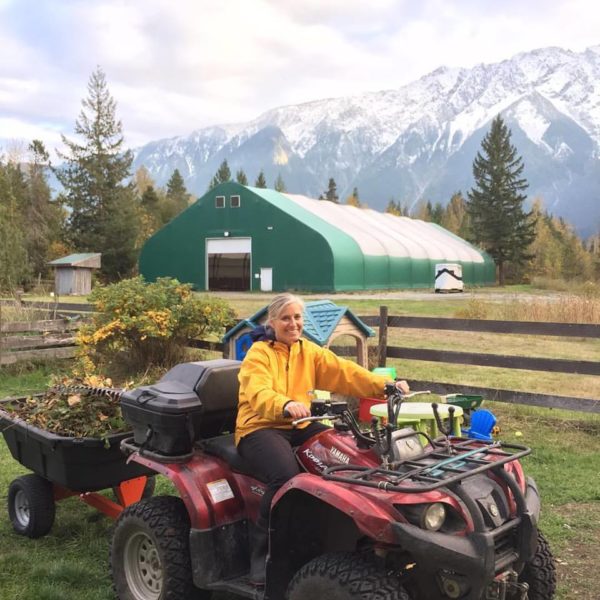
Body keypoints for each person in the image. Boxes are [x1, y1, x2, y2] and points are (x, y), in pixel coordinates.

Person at [235, 293, 409, 585]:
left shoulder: (309, 351)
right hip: (260, 425)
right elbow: (258, 392)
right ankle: (262, 558)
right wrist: (285, 404)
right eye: (286, 318)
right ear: (273, 322)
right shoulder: (259, 354)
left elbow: (346, 373)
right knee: (284, 476)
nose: (293, 324)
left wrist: (386, 385)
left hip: (301, 423)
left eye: (298, 317)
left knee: (342, 457)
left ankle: (336, 537)